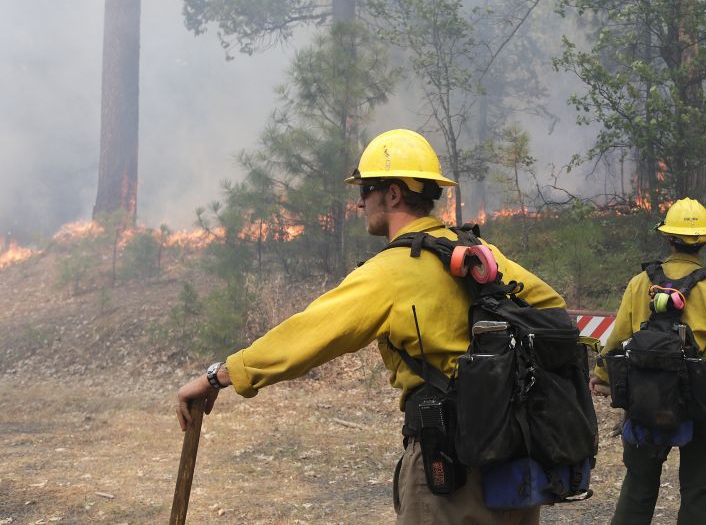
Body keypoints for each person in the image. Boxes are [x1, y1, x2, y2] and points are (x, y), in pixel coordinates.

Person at [175, 128, 566, 525]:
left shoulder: (392, 271)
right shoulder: (481, 255)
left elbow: (309, 335)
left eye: (365, 191)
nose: (359, 202)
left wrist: (218, 376)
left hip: (450, 471)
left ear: (393, 194)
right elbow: (554, 310)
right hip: (515, 465)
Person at [590, 197, 706, 525]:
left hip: (644, 399)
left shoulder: (640, 282)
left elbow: (617, 340)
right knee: (698, 489)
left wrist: (601, 376)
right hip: (700, 405)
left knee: (638, 485)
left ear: (668, 239)